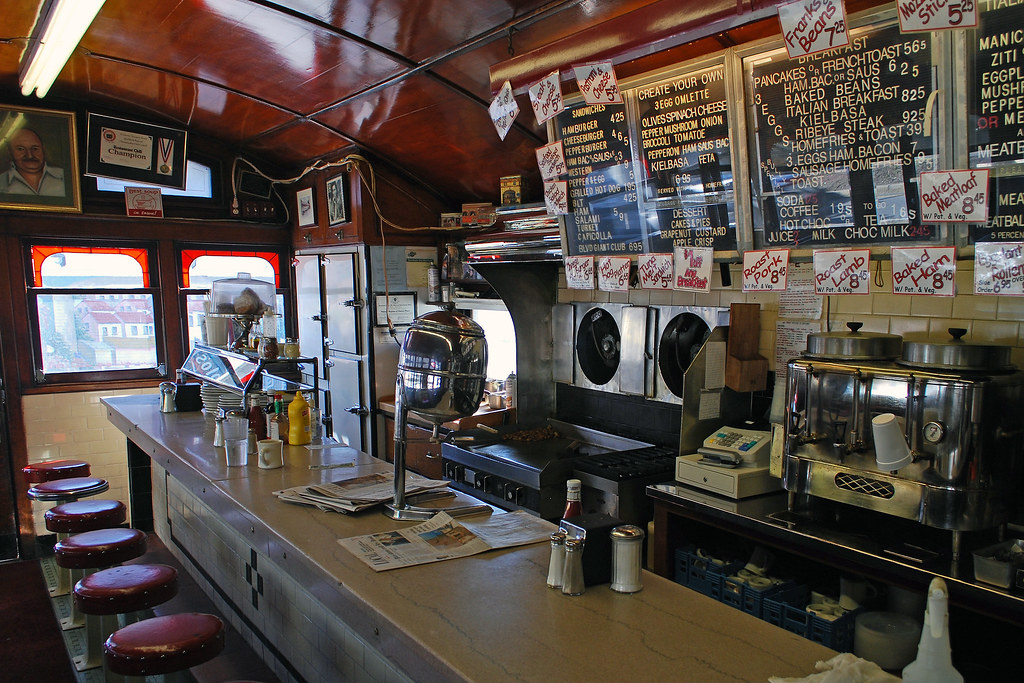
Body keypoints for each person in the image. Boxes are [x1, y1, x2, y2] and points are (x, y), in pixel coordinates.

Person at [0, 127, 66, 196]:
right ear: (9, 152)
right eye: (21, 149)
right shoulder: (1, 183)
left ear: (43, 149)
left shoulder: (65, 177)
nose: (30, 155)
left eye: (35, 149)